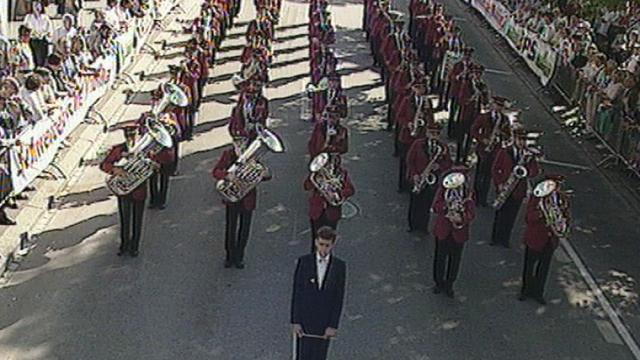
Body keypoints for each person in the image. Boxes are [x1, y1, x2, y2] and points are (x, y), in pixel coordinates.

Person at [211, 132, 270, 269]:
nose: (240, 146)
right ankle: (229, 256)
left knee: (244, 229)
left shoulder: (253, 158)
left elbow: (265, 174)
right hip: (231, 197)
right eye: (237, 143)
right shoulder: (228, 154)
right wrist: (227, 176)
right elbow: (215, 171)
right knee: (230, 228)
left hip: (247, 198)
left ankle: (239, 257)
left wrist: (266, 174)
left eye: (243, 143)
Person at [291, 226, 346, 360]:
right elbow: (297, 293)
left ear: (333, 245)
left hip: (324, 322)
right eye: (321, 244)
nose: (323, 249)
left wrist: (333, 325)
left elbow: (338, 297)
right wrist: (295, 321)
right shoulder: (304, 262)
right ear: (316, 242)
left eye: (327, 245)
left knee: (319, 356)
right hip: (305, 321)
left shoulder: (339, 266)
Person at [100, 121, 147, 257]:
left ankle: (135, 247)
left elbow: (153, 163)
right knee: (124, 219)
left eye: (133, 135)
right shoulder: (118, 150)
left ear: (138, 134)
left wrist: (154, 165)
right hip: (122, 189)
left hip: (139, 189)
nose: (131, 138)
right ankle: (124, 245)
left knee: (137, 220)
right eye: (128, 135)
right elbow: (104, 165)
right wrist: (115, 169)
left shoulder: (143, 149)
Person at [520, 177, 571, 305]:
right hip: (535, 237)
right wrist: (542, 214)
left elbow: (566, 215)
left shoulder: (562, 199)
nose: (554, 188)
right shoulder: (537, 197)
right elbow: (528, 218)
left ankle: (538, 292)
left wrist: (563, 223)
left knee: (544, 267)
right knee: (529, 266)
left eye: (556, 185)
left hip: (550, 239)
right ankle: (525, 291)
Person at [491, 128, 540, 248]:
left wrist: (527, 170)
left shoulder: (528, 155)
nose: (522, 142)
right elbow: (495, 169)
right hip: (505, 187)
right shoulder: (505, 151)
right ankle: (495, 238)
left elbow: (535, 171)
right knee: (500, 214)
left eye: (524, 140)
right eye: (520, 139)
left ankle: (505, 239)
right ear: (514, 139)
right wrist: (499, 183)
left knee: (511, 216)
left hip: (518, 190)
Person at [431, 169, 475, 298]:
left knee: (455, 260)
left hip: (459, 232)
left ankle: (450, 284)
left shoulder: (468, 194)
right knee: (440, 257)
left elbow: (472, 213)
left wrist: (462, 218)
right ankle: (438, 283)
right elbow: (435, 206)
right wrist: (447, 206)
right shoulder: (443, 190)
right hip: (443, 229)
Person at [406, 122, 452, 233]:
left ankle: (423, 226)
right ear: (427, 133)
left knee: (426, 203)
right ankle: (413, 225)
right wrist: (415, 175)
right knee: (415, 203)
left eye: (437, 133)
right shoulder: (418, 144)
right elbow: (410, 160)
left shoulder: (443, 147)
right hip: (419, 177)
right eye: (432, 133)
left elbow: (449, 163)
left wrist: (440, 166)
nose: (434, 135)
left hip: (432, 180)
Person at [304, 154, 355, 252]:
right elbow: (306, 186)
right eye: (327, 164)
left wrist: (339, 192)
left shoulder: (342, 174)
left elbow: (351, 190)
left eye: (331, 164)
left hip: (332, 212)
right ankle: (314, 261)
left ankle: (327, 260)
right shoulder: (316, 175)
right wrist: (314, 176)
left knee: (329, 241)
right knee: (315, 239)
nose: (329, 167)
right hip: (317, 211)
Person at [470, 96, 511, 207]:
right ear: (493, 105)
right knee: (479, 174)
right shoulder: (484, 117)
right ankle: (474, 197)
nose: (498, 108)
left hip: (495, 150)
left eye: (500, 106)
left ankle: (483, 198)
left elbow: (509, 136)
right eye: (496, 105)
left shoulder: (504, 120)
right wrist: (482, 138)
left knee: (488, 175)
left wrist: (502, 134)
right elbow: (473, 130)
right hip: (483, 149)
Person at [23, 0, 52, 67]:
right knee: (34, 59)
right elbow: (25, 29)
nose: (37, 7)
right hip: (32, 41)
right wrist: (32, 33)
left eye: (38, 5)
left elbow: (49, 30)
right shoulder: (28, 17)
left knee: (42, 60)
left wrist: (43, 34)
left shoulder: (45, 18)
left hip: (43, 41)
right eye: (35, 5)